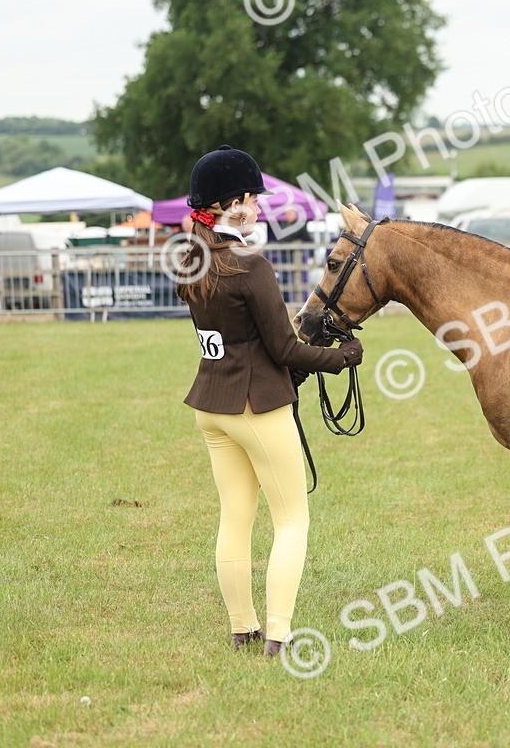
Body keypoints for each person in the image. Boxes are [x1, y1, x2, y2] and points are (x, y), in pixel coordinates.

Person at [176, 145, 364, 657]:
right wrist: (342, 357)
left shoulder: (192, 259)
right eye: (252, 199)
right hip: (255, 407)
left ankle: (243, 628)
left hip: (211, 406)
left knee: (234, 519)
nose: (259, 207)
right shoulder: (250, 267)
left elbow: (246, 339)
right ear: (229, 203)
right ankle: (279, 635)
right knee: (291, 520)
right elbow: (283, 348)